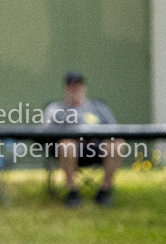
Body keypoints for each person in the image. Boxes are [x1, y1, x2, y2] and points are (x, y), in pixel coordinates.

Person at [44, 71, 124, 208]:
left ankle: (104, 190)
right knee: (67, 145)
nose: (76, 89)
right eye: (72, 86)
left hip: (97, 147)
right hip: (69, 149)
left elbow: (114, 129)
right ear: (66, 88)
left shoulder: (98, 107)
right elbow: (45, 131)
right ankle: (72, 192)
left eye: (79, 85)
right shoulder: (55, 108)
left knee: (118, 144)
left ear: (84, 87)